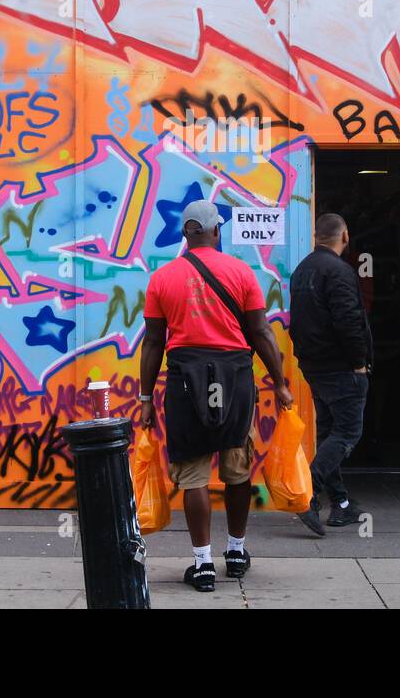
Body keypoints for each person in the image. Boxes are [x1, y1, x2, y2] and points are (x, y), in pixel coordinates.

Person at [138, 199, 294, 592]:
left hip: (184, 382)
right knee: (237, 469)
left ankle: (202, 563)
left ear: (185, 232)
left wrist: (143, 397)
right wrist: (280, 381)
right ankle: (237, 552)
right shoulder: (241, 272)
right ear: (216, 230)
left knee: (193, 477)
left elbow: (154, 342)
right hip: (236, 380)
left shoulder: (162, 278)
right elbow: (260, 332)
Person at [288, 213, 373, 536]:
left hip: (314, 366)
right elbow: (348, 320)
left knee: (329, 433)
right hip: (340, 366)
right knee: (348, 432)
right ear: (345, 235)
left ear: (315, 236)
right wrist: (359, 361)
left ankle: (341, 503)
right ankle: (309, 493)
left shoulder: (303, 271)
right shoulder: (339, 271)